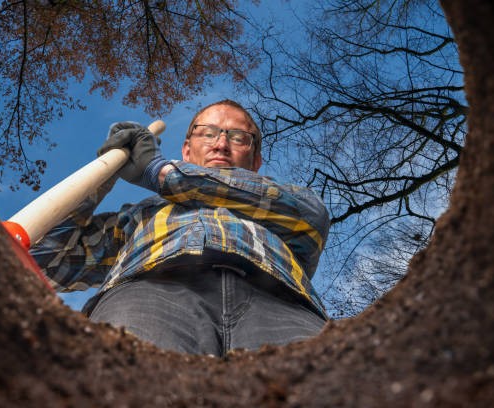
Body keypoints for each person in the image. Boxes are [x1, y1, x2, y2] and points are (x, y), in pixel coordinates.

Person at [30, 99, 330, 356]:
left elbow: (313, 218)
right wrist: (104, 177)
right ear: (187, 150)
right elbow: (46, 262)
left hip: (281, 303)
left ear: (256, 160)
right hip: (150, 294)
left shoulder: (290, 203)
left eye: (238, 137)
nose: (221, 144)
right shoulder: (142, 216)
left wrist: (159, 172)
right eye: (208, 133)